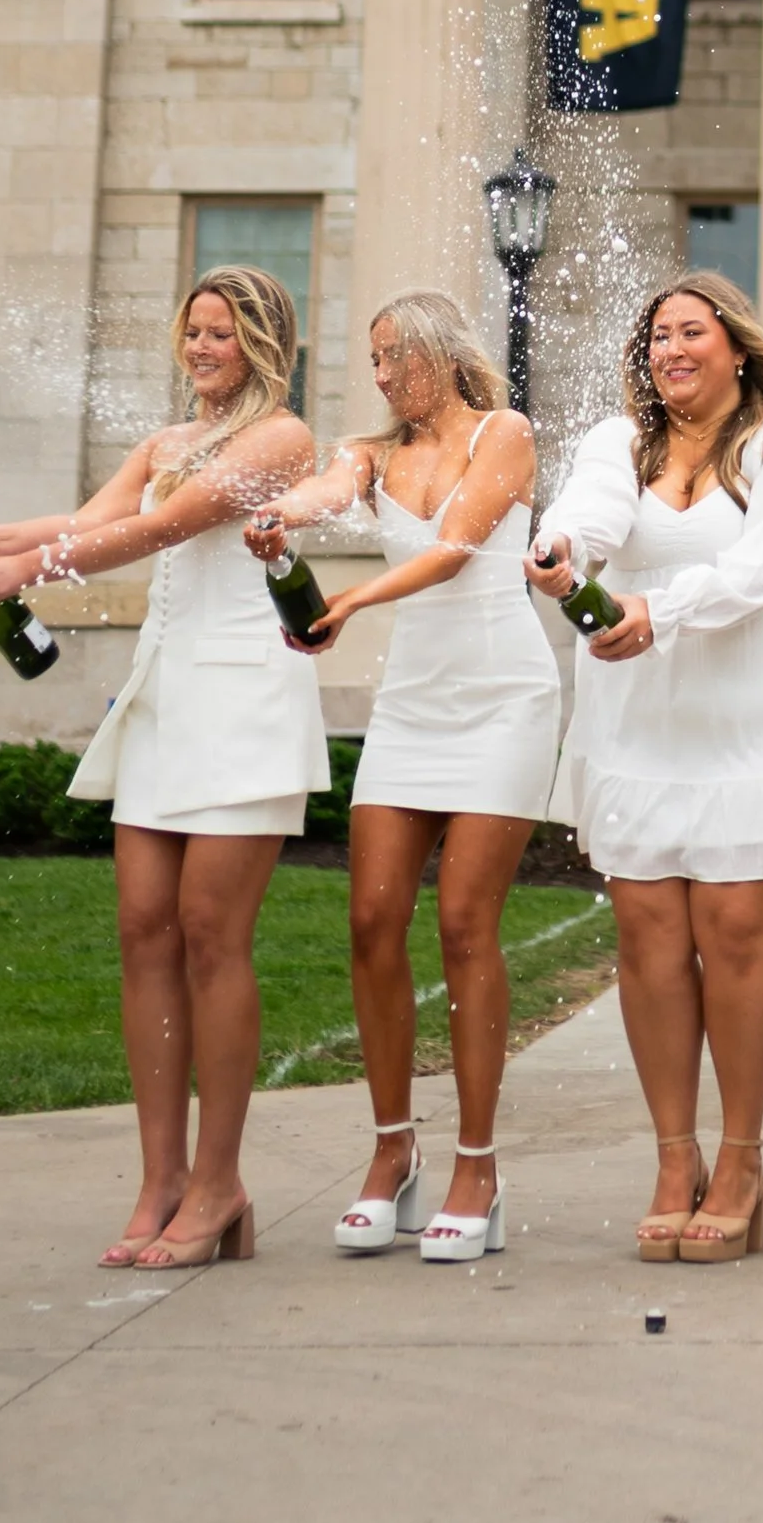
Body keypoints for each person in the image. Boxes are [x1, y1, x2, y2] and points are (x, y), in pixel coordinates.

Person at [0, 264, 324, 1270]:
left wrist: (30, 572)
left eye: (223, 334)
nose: (201, 348)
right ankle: (159, 1176)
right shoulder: (163, 441)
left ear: (264, 343)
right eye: (193, 331)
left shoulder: (282, 438)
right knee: (142, 927)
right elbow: (85, 518)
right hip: (162, 697)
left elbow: (158, 529)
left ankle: (220, 1181)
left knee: (208, 933)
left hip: (243, 701)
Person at [526, 267, 763, 1266]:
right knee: (648, 938)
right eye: (658, 336)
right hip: (643, 717)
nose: (671, 349)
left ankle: (743, 1157)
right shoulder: (616, 443)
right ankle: (675, 1159)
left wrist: (654, 612)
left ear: (736, 345)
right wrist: (557, 550)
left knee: (735, 928)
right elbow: (588, 513)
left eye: (691, 332)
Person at [244, 288, 562, 1263]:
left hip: (505, 697)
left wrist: (351, 600)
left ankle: (478, 1167)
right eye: (373, 359)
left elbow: (460, 547)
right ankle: (392, 1156)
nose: (379, 374)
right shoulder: (371, 453)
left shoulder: (503, 433)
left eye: (391, 355)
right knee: (373, 921)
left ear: (436, 350)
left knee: (467, 921)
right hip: (415, 709)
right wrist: (278, 515)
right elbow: (326, 494)